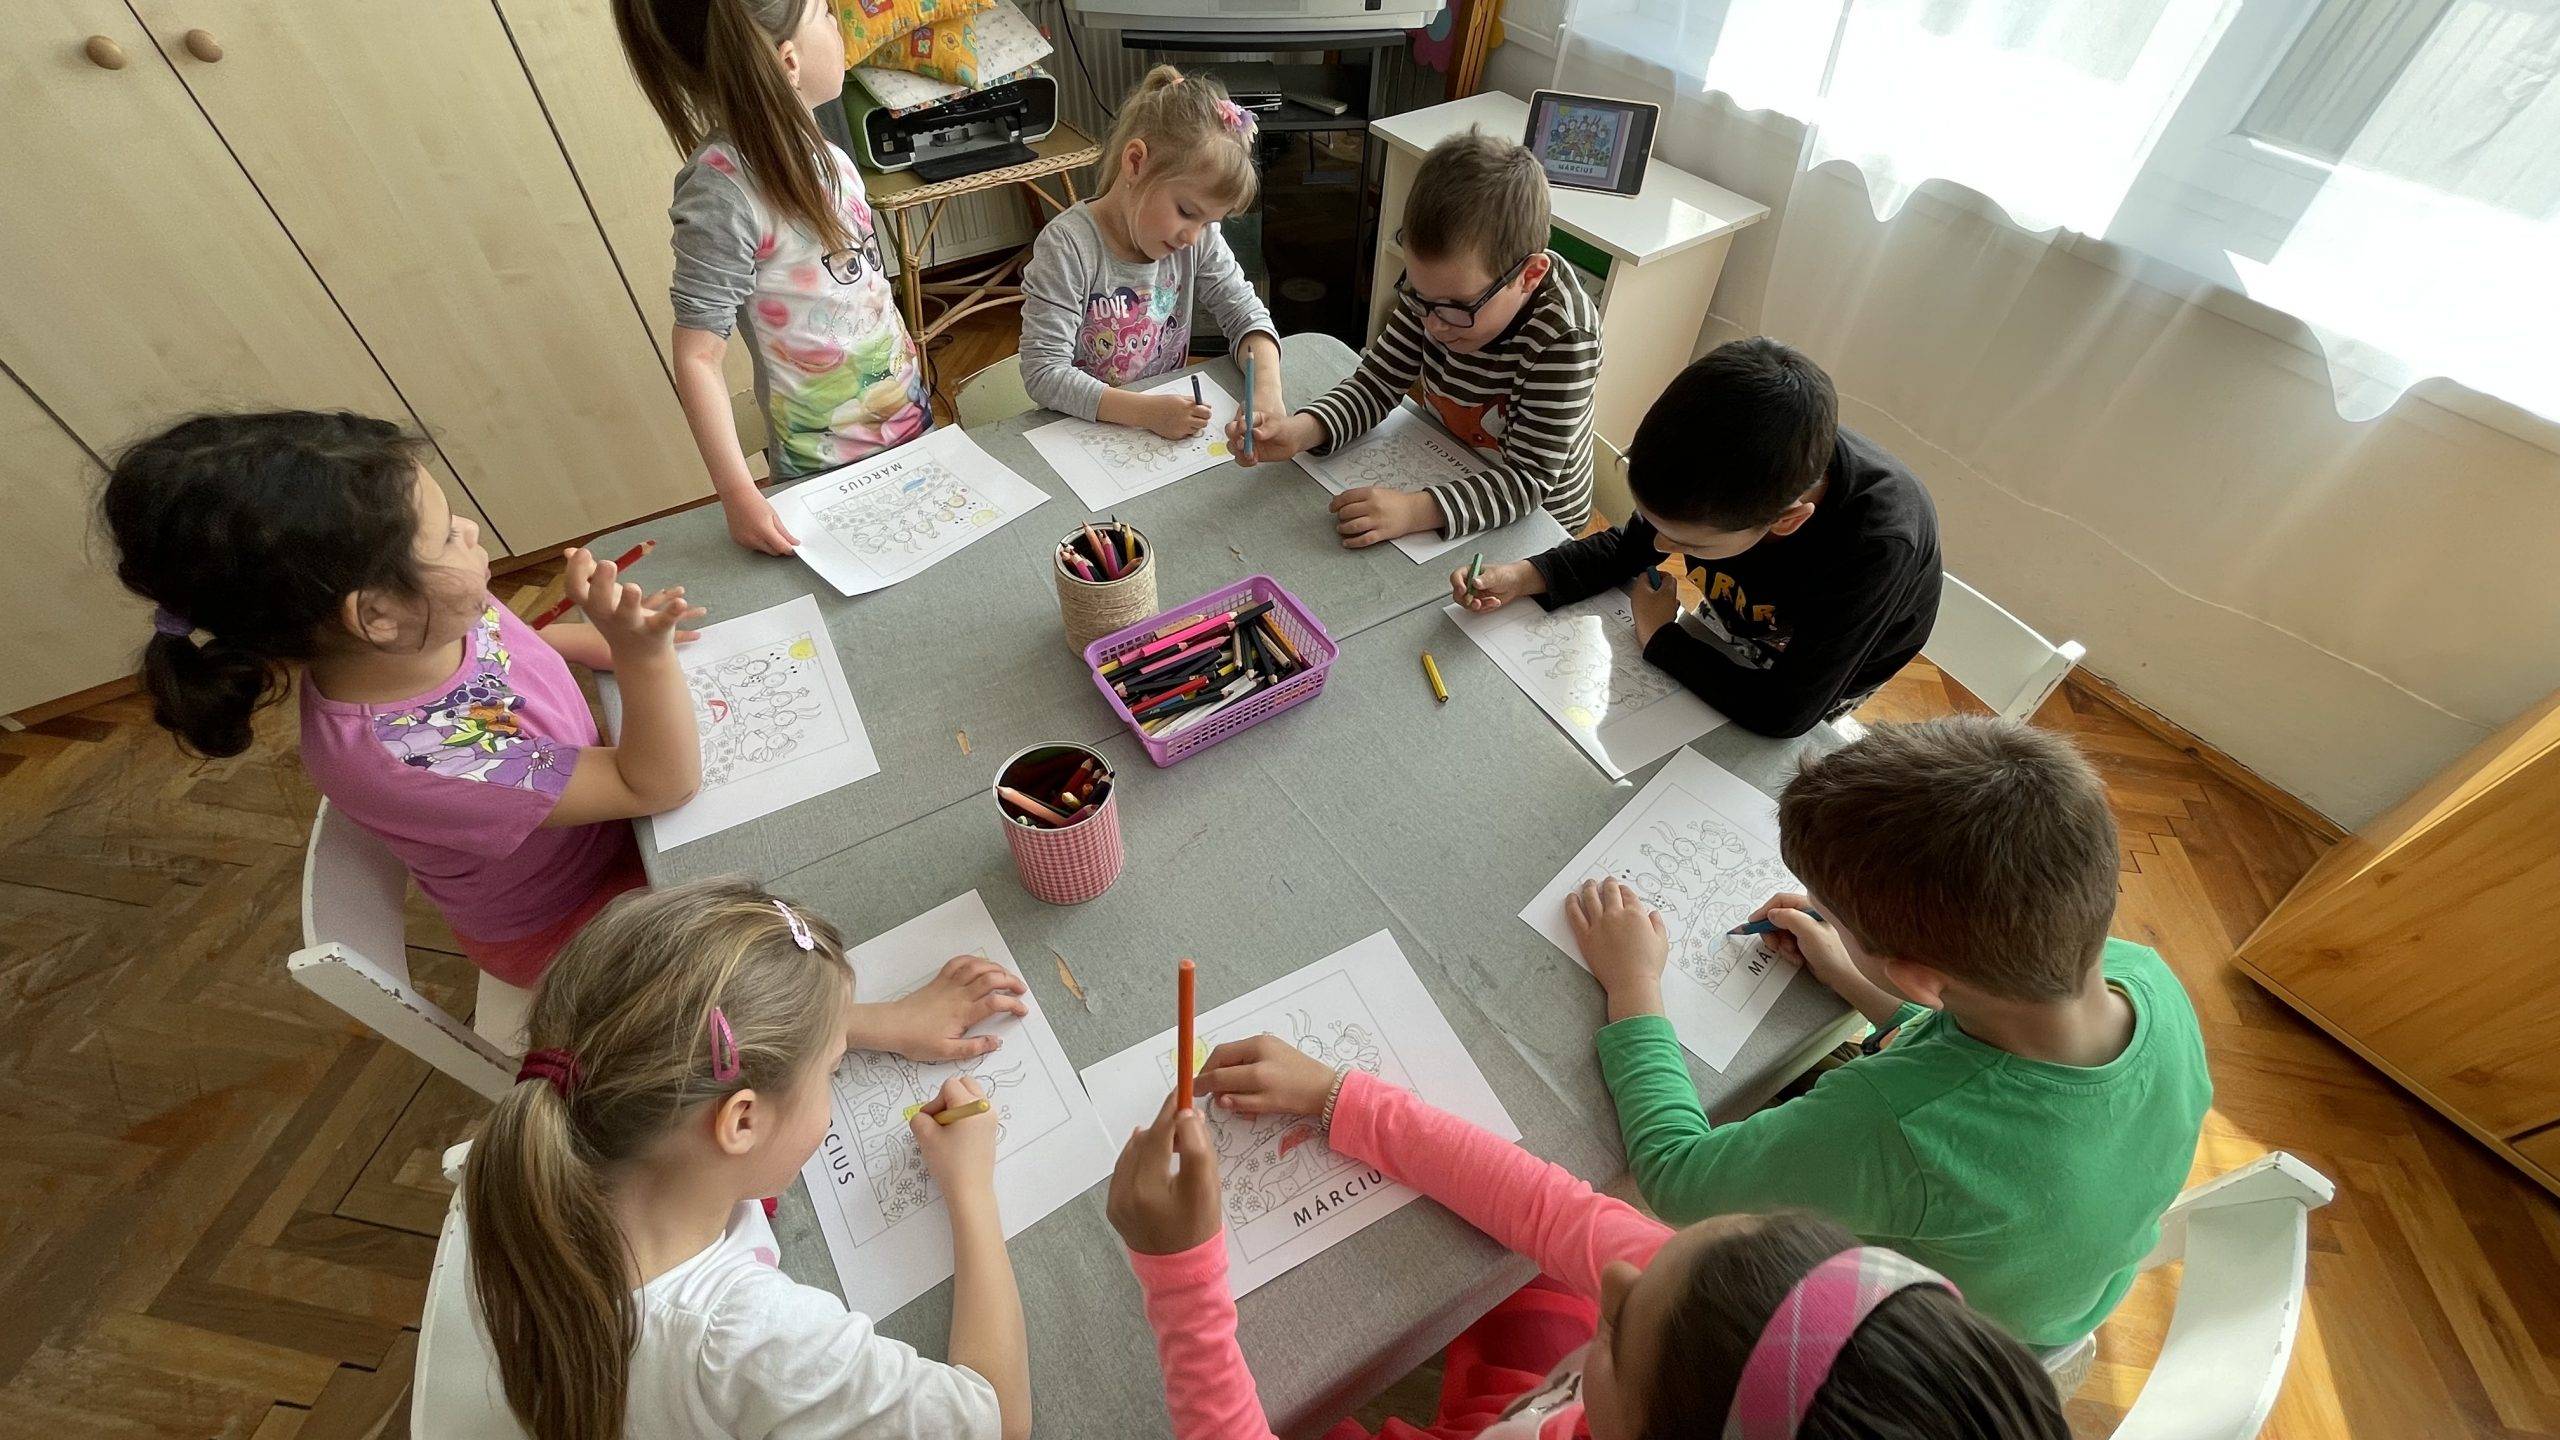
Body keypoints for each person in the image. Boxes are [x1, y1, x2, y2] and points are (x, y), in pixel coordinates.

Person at [1573, 717, 2213, 1345]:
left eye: (1834, 916)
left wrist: (1635, 983)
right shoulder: (2142, 974)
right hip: (2057, 1297)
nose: (1824, 917)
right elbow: (1992, 1077)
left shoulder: (1894, 1126)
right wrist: (1849, 973)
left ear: (1921, 980)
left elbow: (1676, 1178)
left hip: (1927, 1336)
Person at [1104, 1042, 2069, 1438]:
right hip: (1537, 1413)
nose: (1613, 1277)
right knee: (1535, 1273)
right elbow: (1551, 1211)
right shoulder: (1733, 1321)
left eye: (1621, 1328)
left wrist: (1181, 1278)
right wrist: (1340, 1098)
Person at [101, 410, 699, 987]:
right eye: (445, 536)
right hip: (576, 922)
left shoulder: (427, 622)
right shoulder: (421, 753)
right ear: (377, 614)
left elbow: (508, 648)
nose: (469, 529)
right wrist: (644, 660)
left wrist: (607, 643)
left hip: (611, 826)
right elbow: (658, 787)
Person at [458, 879, 1033, 1440]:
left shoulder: (542, 1159)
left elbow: (672, 1033)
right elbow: (998, 1418)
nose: (832, 1079)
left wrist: (857, 1024)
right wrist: (969, 1186)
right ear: (741, 1122)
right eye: (831, 1070)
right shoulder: (754, 1344)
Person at [1454, 338, 1939, 736]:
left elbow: (1786, 711)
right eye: (1656, 523)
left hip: (1837, 651)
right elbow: (1628, 547)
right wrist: (1524, 575)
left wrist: (1660, 637)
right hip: (1739, 610)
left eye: (1690, 546)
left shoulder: (1879, 545)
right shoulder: (1711, 470)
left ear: (1786, 521)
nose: (1663, 548)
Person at [619, 0, 930, 555]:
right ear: (789, 61)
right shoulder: (721, 192)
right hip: (824, 464)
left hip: (908, 418)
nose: (841, 24)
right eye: (826, 13)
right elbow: (697, 356)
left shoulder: (831, 156)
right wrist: (738, 493)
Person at [1233, 130, 1603, 549]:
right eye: (1419, 297)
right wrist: (1302, 431)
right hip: (1448, 462)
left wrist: (1413, 512)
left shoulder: (1564, 338)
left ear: (1529, 276)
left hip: (1538, 526)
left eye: (1456, 308)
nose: (1434, 324)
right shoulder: (1436, 293)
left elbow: (1526, 481)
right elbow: (1377, 384)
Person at [1019, 65, 1282, 441]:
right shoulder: (1067, 247)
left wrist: (1267, 391)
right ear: (1135, 163)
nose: (1193, 236)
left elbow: (1246, 315)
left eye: (1209, 222)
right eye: (1186, 212)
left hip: (1159, 433)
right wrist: (1146, 413)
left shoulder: (1197, 238)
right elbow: (1044, 373)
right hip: (1080, 435)